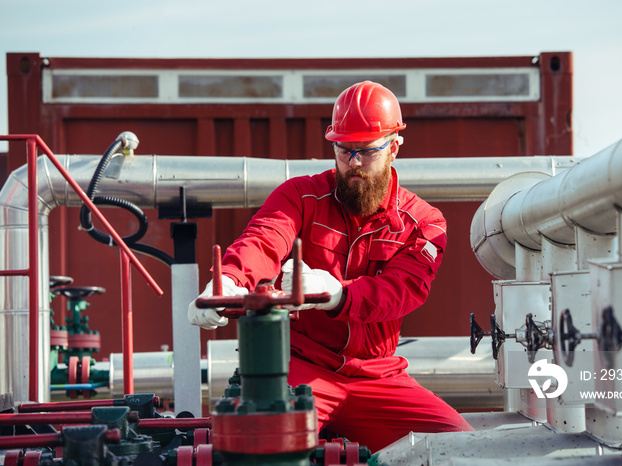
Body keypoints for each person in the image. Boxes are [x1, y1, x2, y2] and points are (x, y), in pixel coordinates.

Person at [188, 80, 473, 452]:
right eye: (343, 150)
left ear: (394, 148)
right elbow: (263, 239)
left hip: (376, 376)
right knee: (261, 449)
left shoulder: (424, 222)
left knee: (461, 449)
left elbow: (403, 290)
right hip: (302, 368)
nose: (353, 164)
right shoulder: (300, 196)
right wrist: (227, 279)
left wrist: (340, 295)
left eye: (366, 152)